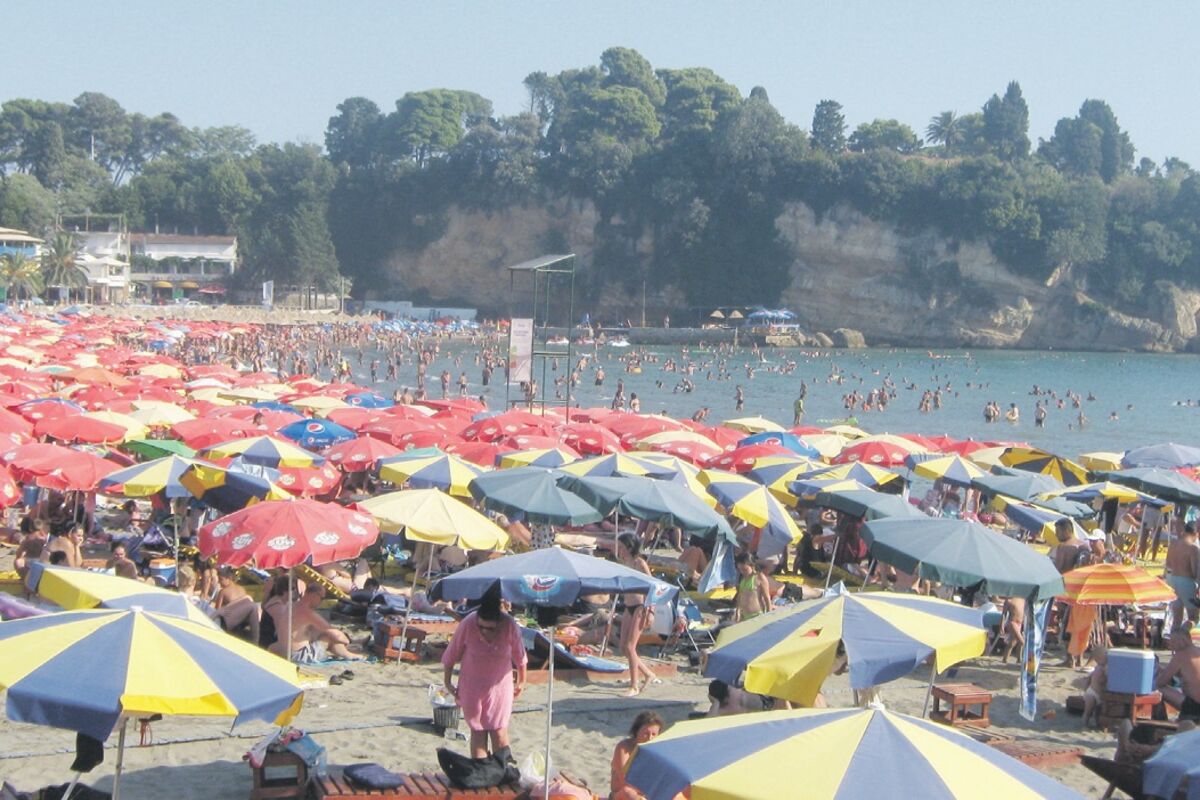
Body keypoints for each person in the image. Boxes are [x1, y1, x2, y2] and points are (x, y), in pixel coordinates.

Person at [442, 590, 527, 758]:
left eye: (490, 629)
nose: (485, 632)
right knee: (478, 731)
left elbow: (520, 657)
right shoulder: (468, 623)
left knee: (499, 731)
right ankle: (481, 769)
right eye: (481, 627)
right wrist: (448, 682)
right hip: (472, 685)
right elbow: (451, 654)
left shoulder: (509, 624)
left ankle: (501, 768)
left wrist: (522, 682)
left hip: (500, 687)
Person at [616, 533, 657, 697]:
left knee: (630, 647)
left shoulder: (639, 563)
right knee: (622, 647)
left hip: (641, 607)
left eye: (621, 547)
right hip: (628, 606)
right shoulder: (624, 563)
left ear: (629, 547)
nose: (619, 550)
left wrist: (651, 611)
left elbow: (653, 587)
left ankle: (634, 686)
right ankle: (647, 673)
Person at [288, 583, 363, 663]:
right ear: (315, 595)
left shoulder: (293, 606)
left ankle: (349, 648)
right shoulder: (307, 613)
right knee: (330, 637)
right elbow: (337, 636)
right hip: (300, 656)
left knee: (316, 631)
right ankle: (348, 654)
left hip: (287, 653)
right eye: (322, 598)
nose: (321, 602)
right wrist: (347, 641)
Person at [610, 711, 664, 800]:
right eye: (646, 733)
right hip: (621, 794)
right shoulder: (624, 747)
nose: (650, 738)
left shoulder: (657, 751)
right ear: (636, 731)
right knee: (628, 792)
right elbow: (625, 779)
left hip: (648, 794)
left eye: (654, 734)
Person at [1156, 627, 1200, 721]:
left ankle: (1160, 720)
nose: (1170, 646)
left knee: (1158, 689)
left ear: (1182, 641)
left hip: (1194, 707)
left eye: (1172, 642)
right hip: (1195, 703)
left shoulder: (1181, 655)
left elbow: (1161, 682)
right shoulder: (1197, 652)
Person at [1165, 523, 1200, 630]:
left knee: (1177, 618)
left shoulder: (1173, 544)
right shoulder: (1193, 548)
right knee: (1193, 617)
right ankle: (1183, 633)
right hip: (1186, 582)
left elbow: (1168, 564)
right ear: (1196, 534)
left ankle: (1174, 636)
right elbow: (1194, 571)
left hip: (1172, 580)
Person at [213, 566, 261, 641]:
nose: (219, 582)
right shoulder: (242, 589)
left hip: (230, 622)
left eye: (221, 579)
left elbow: (217, 609)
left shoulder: (223, 592)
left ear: (229, 578)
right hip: (243, 621)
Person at [733, 551, 769, 621]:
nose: (742, 572)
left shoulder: (759, 577)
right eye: (740, 570)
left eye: (745, 570)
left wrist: (768, 616)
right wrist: (738, 610)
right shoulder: (743, 579)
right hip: (744, 615)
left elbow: (767, 598)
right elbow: (740, 596)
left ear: (752, 566)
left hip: (757, 615)